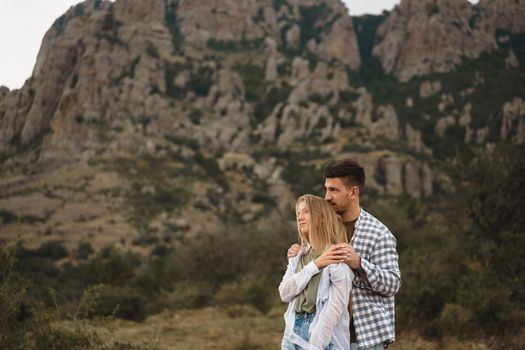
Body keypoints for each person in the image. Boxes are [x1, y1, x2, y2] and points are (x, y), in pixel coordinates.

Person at [288, 159, 401, 349]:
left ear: (353, 192)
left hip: (364, 338)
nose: (327, 197)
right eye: (326, 189)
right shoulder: (323, 228)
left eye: (334, 190)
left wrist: (358, 263)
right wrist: (301, 253)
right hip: (327, 336)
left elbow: (393, 283)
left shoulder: (379, 234)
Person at [280, 195, 355, 350]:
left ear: (321, 218)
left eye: (306, 212)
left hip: (325, 339)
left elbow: (334, 310)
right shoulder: (297, 255)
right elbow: (284, 293)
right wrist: (316, 264)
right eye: (298, 213)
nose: (300, 217)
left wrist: (316, 344)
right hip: (292, 333)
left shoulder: (337, 257)